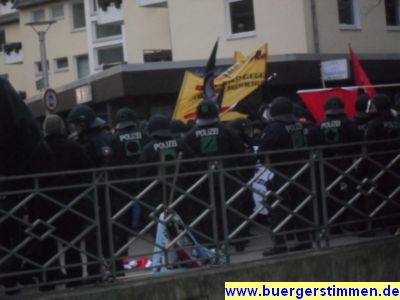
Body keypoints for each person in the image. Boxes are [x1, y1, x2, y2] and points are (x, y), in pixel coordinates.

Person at [0, 78, 59, 294]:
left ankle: (12, 274)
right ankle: (20, 274)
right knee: (27, 232)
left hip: (18, 189)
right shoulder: (26, 133)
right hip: (24, 189)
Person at [259, 97, 319, 256]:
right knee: (301, 207)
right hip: (304, 171)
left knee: (276, 207)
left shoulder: (274, 128)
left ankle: (280, 243)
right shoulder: (306, 126)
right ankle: (304, 240)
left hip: (281, 173)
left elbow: (262, 152)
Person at [185, 100, 248, 250]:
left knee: (208, 209)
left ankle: (213, 242)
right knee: (232, 208)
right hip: (228, 175)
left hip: (204, 178)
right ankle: (238, 240)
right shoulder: (227, 131)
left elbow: (188, 157)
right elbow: (240, 152)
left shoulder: (191, 134)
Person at [42, 114, 94, 287]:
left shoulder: (39, 149)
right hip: (72, 201)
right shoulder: (73, 147)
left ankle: (47, 280)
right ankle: (75, 278)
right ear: (62, 128)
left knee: (46, 241)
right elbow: (88, 170)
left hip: (45, 202)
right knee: (73, 242)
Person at [319, 96, 358, 233]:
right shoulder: (349, 122)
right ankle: (354, 222)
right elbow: (357, 141)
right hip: (347, 161)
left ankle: (334, 224)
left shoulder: (321, 124)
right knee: (352, 192)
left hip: (328, 163)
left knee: (331, 193)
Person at [365, 94, 400, 229]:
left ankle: (374, 224)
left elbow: (369, 145)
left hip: (377, 163)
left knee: (373, 192)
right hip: (396, 163)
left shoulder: (373, 124)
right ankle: (394, 222)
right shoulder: (397, 121)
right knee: (394, 192)